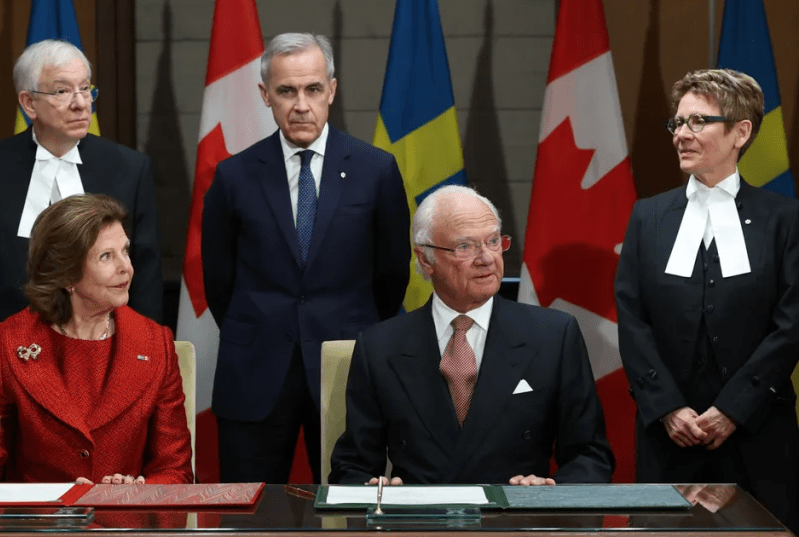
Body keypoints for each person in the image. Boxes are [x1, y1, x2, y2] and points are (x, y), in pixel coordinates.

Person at [201, 32, 410, 483]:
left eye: (313, 89)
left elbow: (391, 276)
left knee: (351, 511)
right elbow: (218, 281)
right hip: (255, 371)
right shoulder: (234, 175)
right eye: (286, 91)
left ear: (331, 90)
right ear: (265, 96)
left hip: (347, 367)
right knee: (249, 516)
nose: (301, 104)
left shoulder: (376, 170)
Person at [0, 39, 163, 440]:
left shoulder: (128, 168)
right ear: (28, 103)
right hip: (6, 375)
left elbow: (145, 276)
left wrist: (149, 367)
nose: (80, 103)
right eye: (62, 91)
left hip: (107, 369)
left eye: (86, 88)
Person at [0, 194, 191, 488]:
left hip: (122, 530)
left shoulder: (156, 344)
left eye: (125, 251)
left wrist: (136, 493)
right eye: (106, 256)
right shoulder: (9, 342)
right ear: (66, 275)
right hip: (38, 525)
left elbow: (175, 471)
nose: (126, 267)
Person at [329, 185, 614, 486]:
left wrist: (550, 495)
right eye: (465, 247)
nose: (487, 258)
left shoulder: (554, 336)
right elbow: (352, 466)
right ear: (426, 260)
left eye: (493, 241)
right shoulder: (380, 346)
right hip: (421, 525)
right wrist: (372, 491)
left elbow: (590, 456)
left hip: (515, 524)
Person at [615, 68, 798, 533]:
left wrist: (734, 408)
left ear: (741, 132)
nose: (682, 134)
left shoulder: (785, 218)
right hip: (668, 433)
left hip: (758, 430)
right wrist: (668, 408)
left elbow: (791, 323)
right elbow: (632, 318)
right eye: (677, 123)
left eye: (698, 122)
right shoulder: (649, 215)